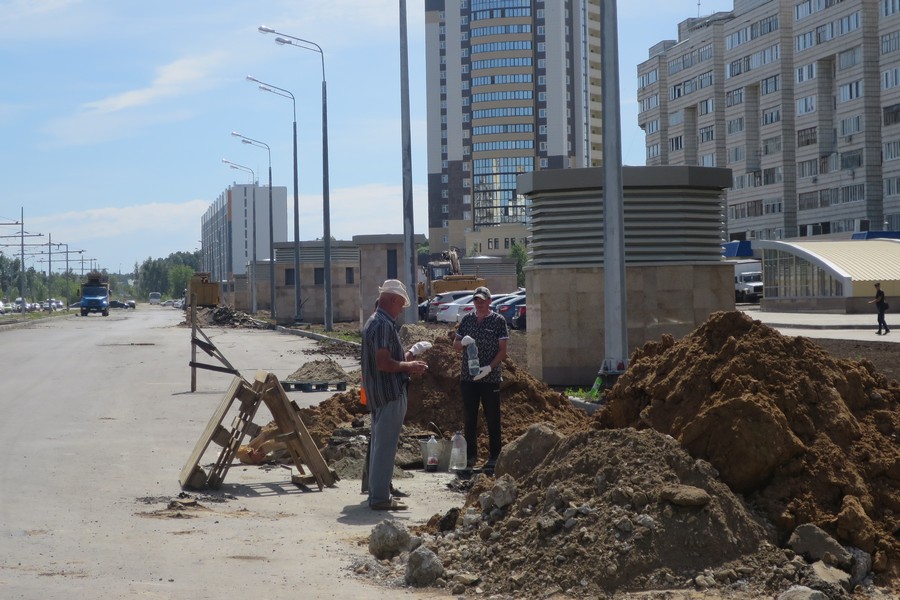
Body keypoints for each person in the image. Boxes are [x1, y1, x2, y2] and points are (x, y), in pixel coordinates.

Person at [361, 279, 430, 511]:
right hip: (389, 392)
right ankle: (380, 497)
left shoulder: (376, 322)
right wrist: (408, 367)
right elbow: (383, 362)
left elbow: (386, 358)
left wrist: (407, 358)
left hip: (380, 393)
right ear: (391, 300)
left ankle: (376, 491)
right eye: (400, 304)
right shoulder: (382, 324)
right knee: (385, 446)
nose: (401, 310)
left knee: (381, 444)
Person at [453, 286, 508, 471]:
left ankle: (494, 456)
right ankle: (471, 456)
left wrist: (490, 368)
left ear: (489, 301)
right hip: (469, 378)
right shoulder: (467, 320)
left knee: (492, 417)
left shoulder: (498, 321)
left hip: (490, 378)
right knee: (470, 417)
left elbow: (503, 350)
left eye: (483, 300)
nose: (479, 303)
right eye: (476, 300)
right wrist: (463, 342)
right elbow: (455, 345)